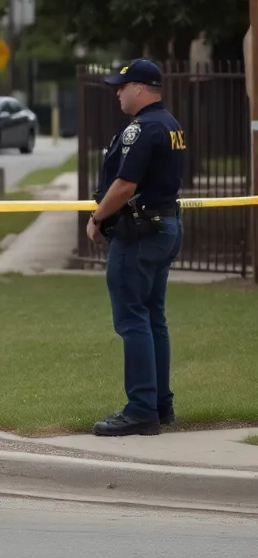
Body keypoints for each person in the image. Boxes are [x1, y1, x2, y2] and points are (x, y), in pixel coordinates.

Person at [86, 58, 185, 437]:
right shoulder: (171, 124)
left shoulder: (142, 129)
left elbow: (126, 185)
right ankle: (160, 404)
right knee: (153, 316)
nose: (117, 92)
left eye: (122, 86)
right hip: (166, 226)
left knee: (132, 320)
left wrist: (97, 218)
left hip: (139, 234)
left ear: (141, 88)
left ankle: (141, 409)